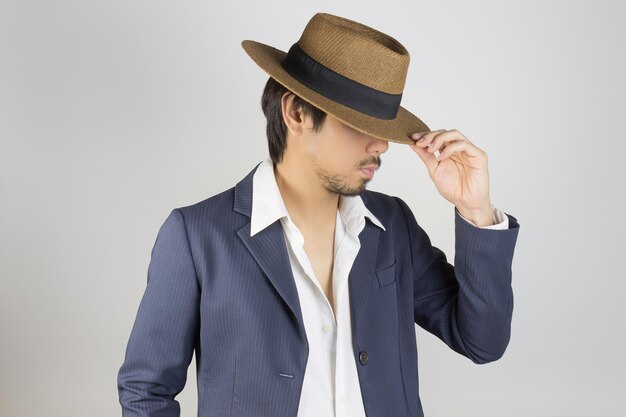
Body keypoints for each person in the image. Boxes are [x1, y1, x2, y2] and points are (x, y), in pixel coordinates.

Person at [117, 12, 520, 417]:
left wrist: (475, 210)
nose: (381, 145)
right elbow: (146, 391)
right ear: (296, 113)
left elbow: (481, 342)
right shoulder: (197, 236)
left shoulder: (392, 225)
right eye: (359, 123)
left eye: (384, 127)